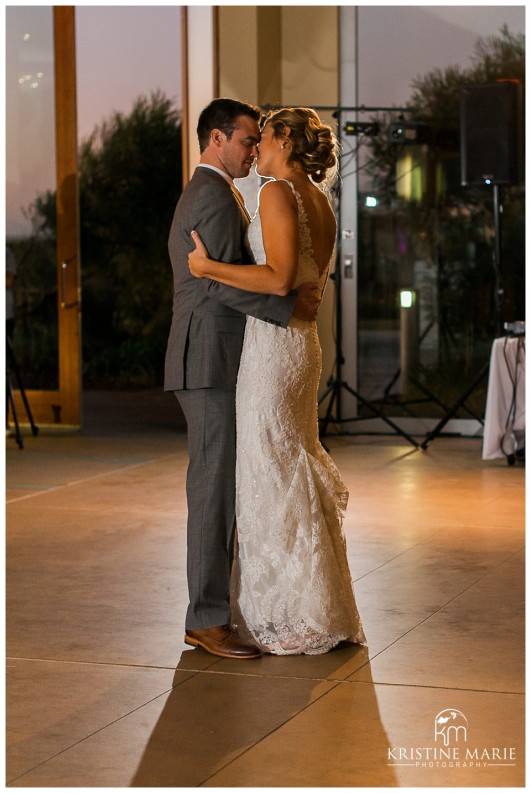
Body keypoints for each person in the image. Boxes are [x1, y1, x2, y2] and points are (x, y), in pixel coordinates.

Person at [188, 106, 365, 655]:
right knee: (292, 460)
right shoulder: (321, 200)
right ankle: (317, 602)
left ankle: (288, 610)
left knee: (270, 469)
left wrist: (207, 269)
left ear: (284, 140)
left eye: (262, 136)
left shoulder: (275, 193)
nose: (257, 147)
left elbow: (281, 277)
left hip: (272, 350)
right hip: (300, 345)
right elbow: (309, 281)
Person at [164, 98, 319, 660]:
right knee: (211, 489)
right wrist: (288, 304)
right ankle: (204, 620)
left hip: (223, 353)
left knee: (224, 483)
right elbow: (208, 285)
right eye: (247, 141)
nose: (254, 151)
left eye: (259, 141)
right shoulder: (209, 194)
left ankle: (222, 608)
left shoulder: (224, 191)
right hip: (206, 357)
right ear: (215, 140)